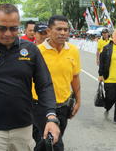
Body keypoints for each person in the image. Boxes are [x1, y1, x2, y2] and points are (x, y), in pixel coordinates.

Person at [0, 4, 60, 150]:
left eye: (13, 28)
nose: (8, 33)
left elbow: (44, 85)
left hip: (23, 128)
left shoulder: (30, 49)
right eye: (2, 28)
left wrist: (51, 117)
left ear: (18, 25)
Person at [32, 15, 81, 150]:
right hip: (40, 107)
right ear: (49, 31)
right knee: (54, 143)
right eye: (59, 29)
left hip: (63, 106)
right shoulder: (37, 51)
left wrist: (78, 100)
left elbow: (75, 77)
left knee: (46, 142)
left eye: (66, 29)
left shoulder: (73, 50)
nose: (63, 33)